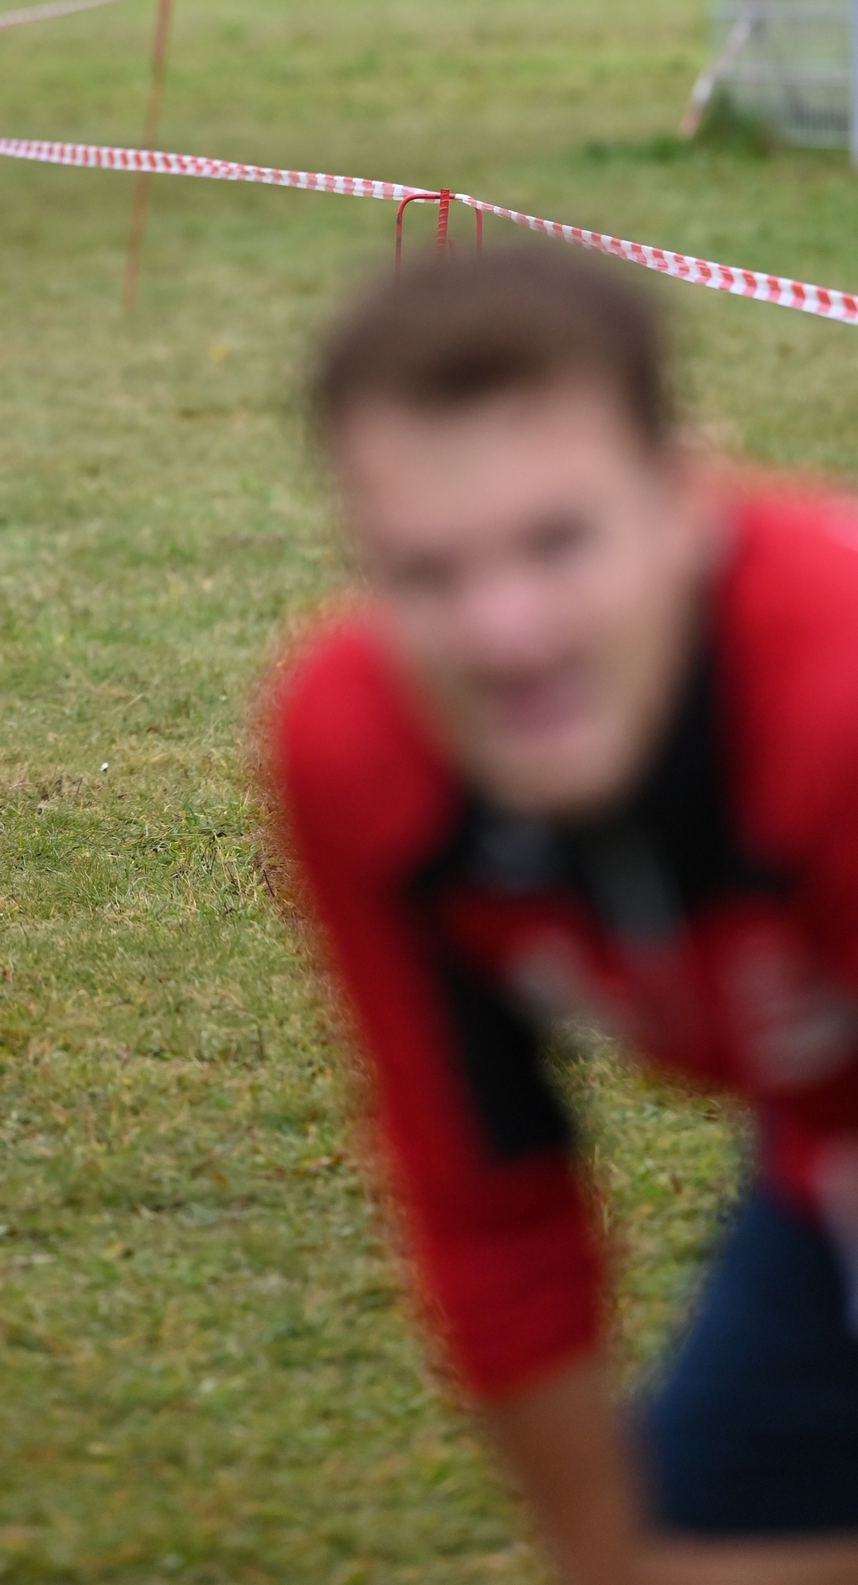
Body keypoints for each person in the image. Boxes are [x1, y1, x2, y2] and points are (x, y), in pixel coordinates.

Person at [269, 243, 858, 1585]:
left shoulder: (834, 697)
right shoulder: (357, 749)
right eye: (427, 572)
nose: (506, 633)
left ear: (685, 504)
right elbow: (486, 1201)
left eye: (557, 541)